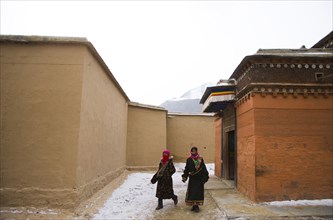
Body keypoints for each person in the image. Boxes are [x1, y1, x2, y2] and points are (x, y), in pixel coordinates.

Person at [182, 146, 209, 212]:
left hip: (199, 179)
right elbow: (187, 169)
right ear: (191, 152)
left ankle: (197, 206)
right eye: (192, 151)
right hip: (192, 179)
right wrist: (185, 176)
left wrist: (204, 178)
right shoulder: (189, 160)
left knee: (198, 193)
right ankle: (194, 205)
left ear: (196, 151)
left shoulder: (200, 159)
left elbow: (204, 169)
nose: (193, 152)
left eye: (194, 151)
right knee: (192, 193)